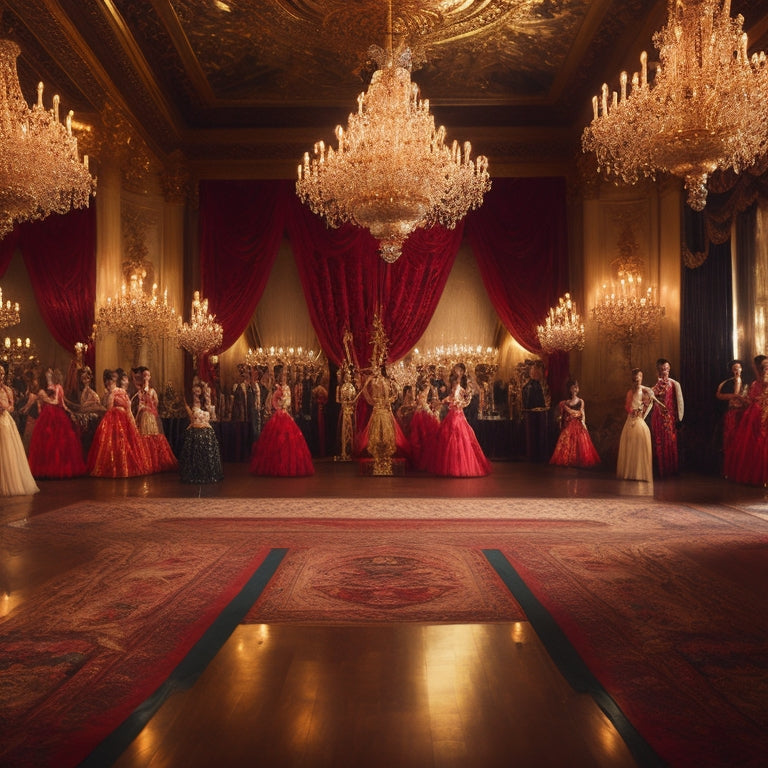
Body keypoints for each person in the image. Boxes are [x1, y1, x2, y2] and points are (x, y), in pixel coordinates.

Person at [250, 366, 314, 476]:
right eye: (281, 375)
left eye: (284, 376)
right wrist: (279, 405)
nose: (283, 378)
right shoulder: (275, 388)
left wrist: (284, 403)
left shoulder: (287, 388)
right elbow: (273, 401)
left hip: (285, 413)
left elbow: (289, 401)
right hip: (279, 413)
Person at [87, 368, 150, 477]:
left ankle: (119, 467)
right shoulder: (118, 392)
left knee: (118, 443)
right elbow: (121, 408)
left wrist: (133, 422)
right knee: (119, 443)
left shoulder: (116, 393)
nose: (109, 383)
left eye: (110, 381)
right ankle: (120, 467)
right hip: (120, 419)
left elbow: (114, 409)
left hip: (118, 419)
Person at [27, 368, 87, 479]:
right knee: (50, 441)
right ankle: (49, 469)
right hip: (51, 413)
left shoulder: (56, 388)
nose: (49, 377)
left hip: (53, 413)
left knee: (54, 442)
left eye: (50, 376)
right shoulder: (54, 388)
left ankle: (51, 469)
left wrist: (46, 399)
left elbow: (57, 402)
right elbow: (62, 404)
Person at [429, 373, 491, 477]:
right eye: (453, 382)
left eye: (455, 382)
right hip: (453, 414)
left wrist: (459, 404)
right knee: (451, 435)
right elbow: (452, 397)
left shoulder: (459, 389)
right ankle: (451, 465)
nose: (454, 384)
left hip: (457, 415)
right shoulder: (455, 389)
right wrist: (444, 401)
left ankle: (457, 466)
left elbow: (466, 399)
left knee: (457, 435)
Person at [724, 355, 768, 485]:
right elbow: (751, 398)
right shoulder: (755, 384)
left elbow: (750, 398)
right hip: (756, 414)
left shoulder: (755, 384)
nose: (766, 370)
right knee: (756, 440)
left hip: (758, 412)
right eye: (764, 368)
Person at [617, 368, 665, 483]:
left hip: (639, 419)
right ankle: (630, 472)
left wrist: (645, 409)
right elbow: (627, 406)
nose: (637, 379)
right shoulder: (630, 392)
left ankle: (639, 472)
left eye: (639, 376)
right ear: (633, 379)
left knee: (642, 440)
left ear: (641, 377)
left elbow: (651, 400)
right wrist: (631, 411)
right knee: (630, 444)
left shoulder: (645, 390)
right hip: (631, 419)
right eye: (635, 377)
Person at [0, 364, 39, 496]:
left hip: (4, 421)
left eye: (2, 374)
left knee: (6, 451)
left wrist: (4, 407)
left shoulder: (7, 390)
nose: (1, 377)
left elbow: (12, 407)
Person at [132, 366, 178, 473]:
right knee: (144, 435)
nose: (146, 377)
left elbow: (155, 404)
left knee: (153, 435)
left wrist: (148, 406)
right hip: (143, 416)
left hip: (150, 416)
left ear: (150, 377)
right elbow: (139, 404)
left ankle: (154, 461)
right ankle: (146, 461)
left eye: (147, 375)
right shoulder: (139, 391)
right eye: (144, 375)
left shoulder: (152, 391)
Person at [549, 380, 600, 468]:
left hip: (578, 425)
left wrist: (583, 423)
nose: (575, 389)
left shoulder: (580, 401)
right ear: (569, 389)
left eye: (576, 387)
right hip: (569, 426)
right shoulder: (566, 403)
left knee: (581, 443)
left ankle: (579, 460)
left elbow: (582, 413)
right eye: (573, 387)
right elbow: (562, 415)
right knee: (567, 442)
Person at [650, 358, 684, 477]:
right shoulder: (656, 385)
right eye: (663, 369)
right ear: (659, 370)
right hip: (657, 417)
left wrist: (679, 418)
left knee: (670, 442)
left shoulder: (674, 384)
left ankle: (671, 470)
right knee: (658, 442)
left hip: (669, 418)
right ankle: (660, 470)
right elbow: (651, 401)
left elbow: (680, 402)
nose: (665, 371)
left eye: (667, 369)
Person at [715, 359, 748, 470]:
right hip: (732, 414)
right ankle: (729, 466)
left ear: (742, 369)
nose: (737, 370)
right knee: (730, 439)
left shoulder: (748, 382)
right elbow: (719, 396)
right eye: (734, 369)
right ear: (731, 370)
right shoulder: (727, 383)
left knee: (743, 440)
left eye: (738, 368)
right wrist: (734, 396)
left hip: (744, 414)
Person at [180, 401, 223, 484]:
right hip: (196, 430)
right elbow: (192, 420)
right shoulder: (192, 410)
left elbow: (208, 420)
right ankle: (195, 472)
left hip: (204, 430)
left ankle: (206, 471)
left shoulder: (206, 411)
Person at [521, 360, 551, 462]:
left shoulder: (543, 385)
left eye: (538, 371)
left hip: (542, 412)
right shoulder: (527, 386)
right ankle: (532, 455)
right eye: (533, 371)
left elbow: (547, 398)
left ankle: (541, 454)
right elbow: (526, 400)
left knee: (542, 434)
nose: (536, 373)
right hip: (530, 413)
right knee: (531, 435)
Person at [408, 386, 440, 471]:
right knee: (417, 438)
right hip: (420, 414)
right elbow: (415, 401)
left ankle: (425, 462)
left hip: (425, 414)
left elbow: (435, 401)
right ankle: (417, 462)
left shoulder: (431, 388)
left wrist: (430, 410)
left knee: (426, 438)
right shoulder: (416, 388)